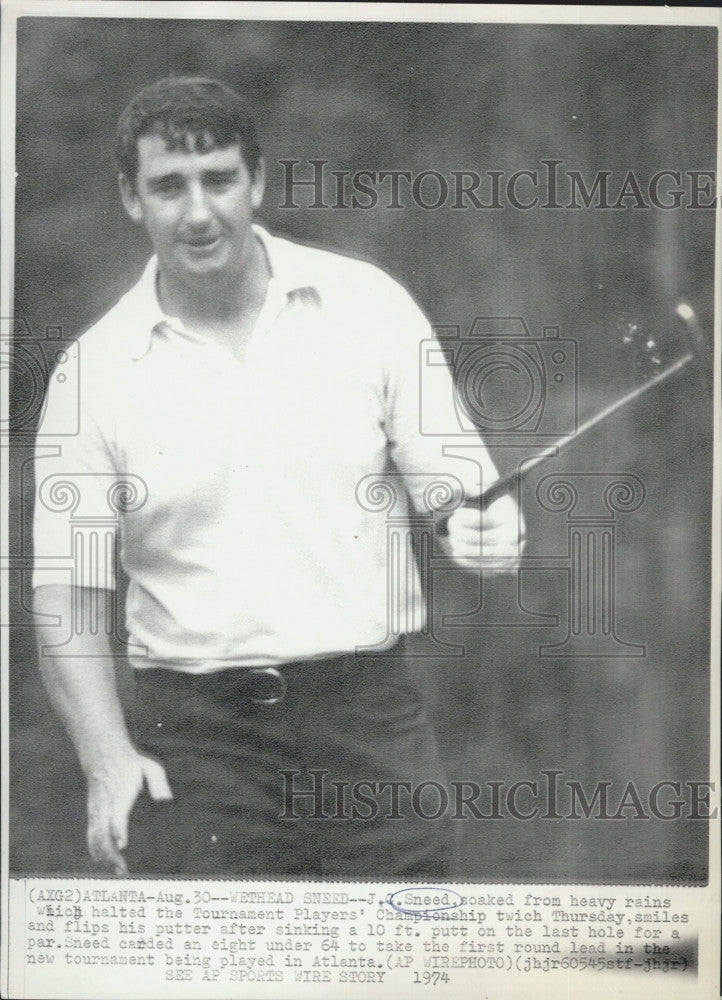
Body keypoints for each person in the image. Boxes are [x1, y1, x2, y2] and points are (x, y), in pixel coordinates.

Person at [32, 76, 524, 879]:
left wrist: (485, 528)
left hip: (370, 724)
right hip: (200, 744)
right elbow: (68, 596)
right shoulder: (90, 377)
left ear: (255, 180)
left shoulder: (369, 306)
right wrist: (106, 759)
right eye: (168, 186)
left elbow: (459, 491)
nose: (198, 213)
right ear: (131, 197)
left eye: (219, 179)